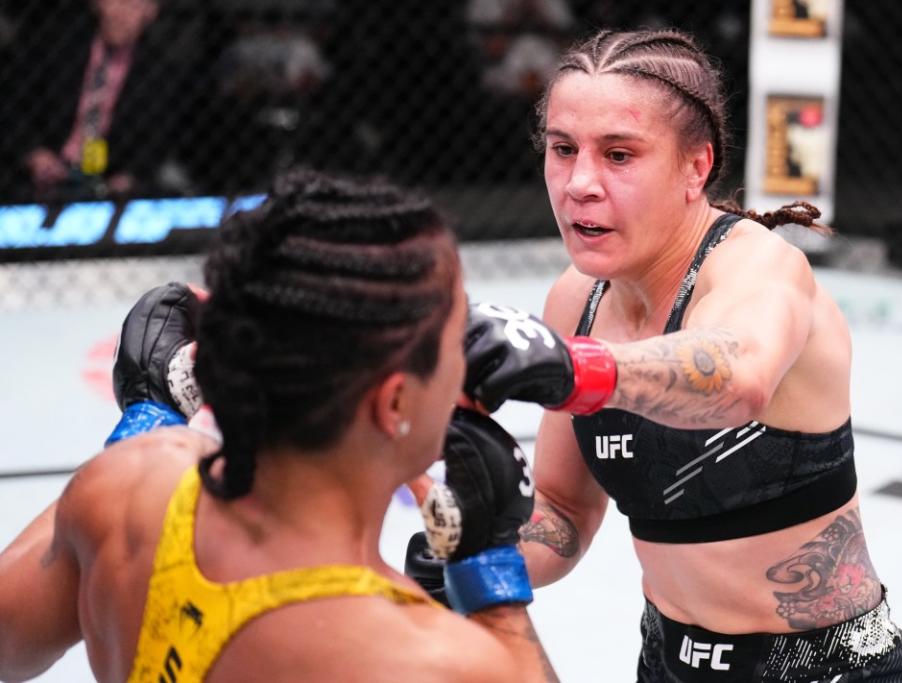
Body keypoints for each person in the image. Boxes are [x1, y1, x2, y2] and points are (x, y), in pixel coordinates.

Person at [459, 29, 902, 682]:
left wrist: (575, 369)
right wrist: (476, 566)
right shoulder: (576, 301)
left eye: (619, 154)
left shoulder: (759, 268)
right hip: (666, 663)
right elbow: (564, 512)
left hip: (830, 671)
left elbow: (736, 376)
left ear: (695, 167)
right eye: (562, 149)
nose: (580, 183)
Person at [0, 169, 559, 682]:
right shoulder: (420, 655)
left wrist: (147, 421)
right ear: (394, 404)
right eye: (456, 340)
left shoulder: (127, 489)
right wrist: (492, 581)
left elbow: (9, 637)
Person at [3, 0, 205, 200]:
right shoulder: (55, 46)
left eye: (133, 6)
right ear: (98, 4)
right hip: (39, 172)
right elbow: (13, 105)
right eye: (116, 3)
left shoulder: (159, 73)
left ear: (150, 12)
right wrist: (34, 154)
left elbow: (155, 141)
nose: (121, 15)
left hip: (107, 181)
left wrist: (129, 176)